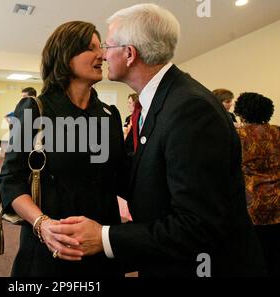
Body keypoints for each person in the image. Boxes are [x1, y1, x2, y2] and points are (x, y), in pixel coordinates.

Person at [49, 4, 266, 277]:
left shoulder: (190, 110)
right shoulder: (158, 101)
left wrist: (104, 237)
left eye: (107, 45)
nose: (103, 54)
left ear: (129, 54)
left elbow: (198, 225)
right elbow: (140, 177)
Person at [0, 21, 128, 277]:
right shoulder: (36, 110)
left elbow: (123, 178)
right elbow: (11, 181)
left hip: (100, 247)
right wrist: (43, 225)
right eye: (89, 48)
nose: (101, 55)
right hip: (50, 246)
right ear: (66, 56)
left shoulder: (109, 114)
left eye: (99, 47)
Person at [234, 92, 279, 277]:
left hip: (251, 204)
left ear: (242, 112)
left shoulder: (238, 135)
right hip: (278, 202)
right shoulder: (277, 131)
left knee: (256, 257)